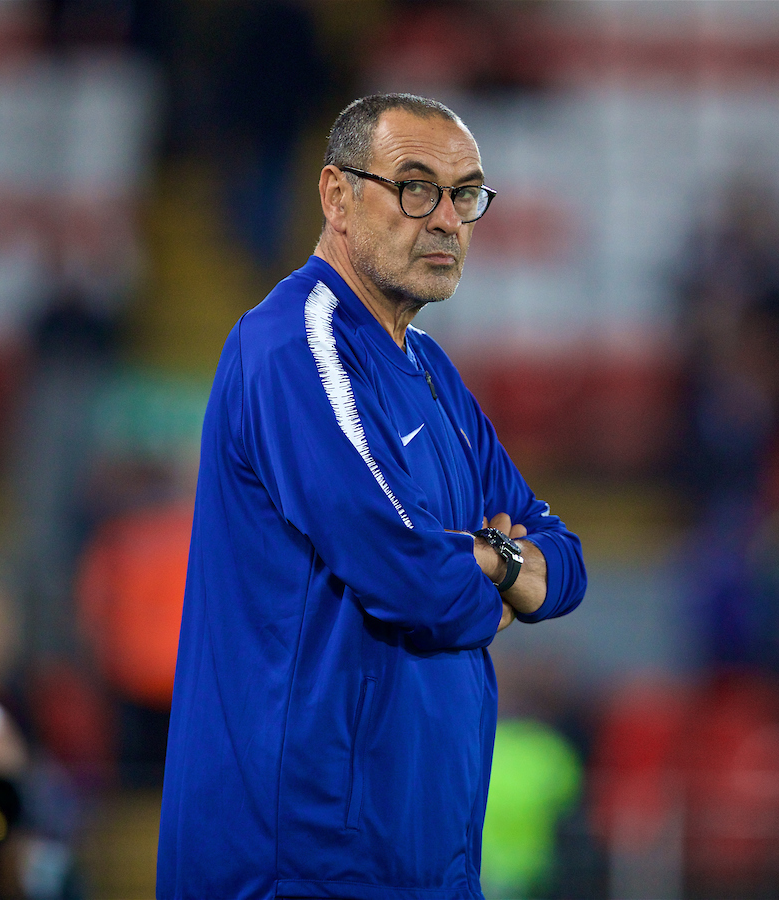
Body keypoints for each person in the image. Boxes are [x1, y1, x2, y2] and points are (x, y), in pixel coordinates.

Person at [156, 93, 587, 899]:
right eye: (416, 187)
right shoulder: (294, 345)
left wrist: (485, 560)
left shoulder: (433, 372)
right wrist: (500, 570)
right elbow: (411, 578)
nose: (447, 220)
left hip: (428, 858)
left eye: (466, 195)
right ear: (336, 195)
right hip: (302, 863)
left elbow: (565, 561)